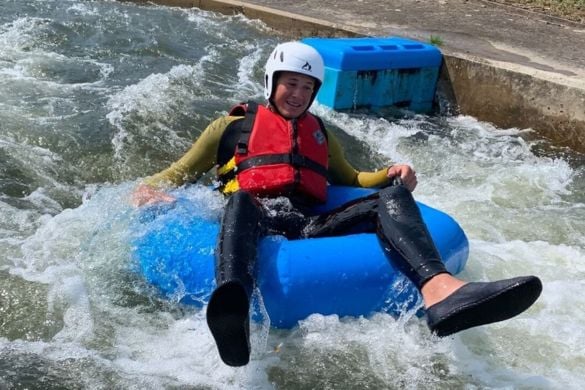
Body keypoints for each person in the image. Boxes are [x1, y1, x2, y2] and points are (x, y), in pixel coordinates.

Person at [133, 41, 542, 367]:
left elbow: (351, 180)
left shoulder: (318, 133)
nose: (297, 94)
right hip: (250, 219)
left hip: (305, 226)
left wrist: (391, 175)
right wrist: (147, 190)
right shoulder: (230, 127)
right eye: (290, 83)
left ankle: (441, 291)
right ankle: (232, 309)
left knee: (392, 199)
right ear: (272, 82)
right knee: (242, 198)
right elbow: (175, 174)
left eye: (307, 87)